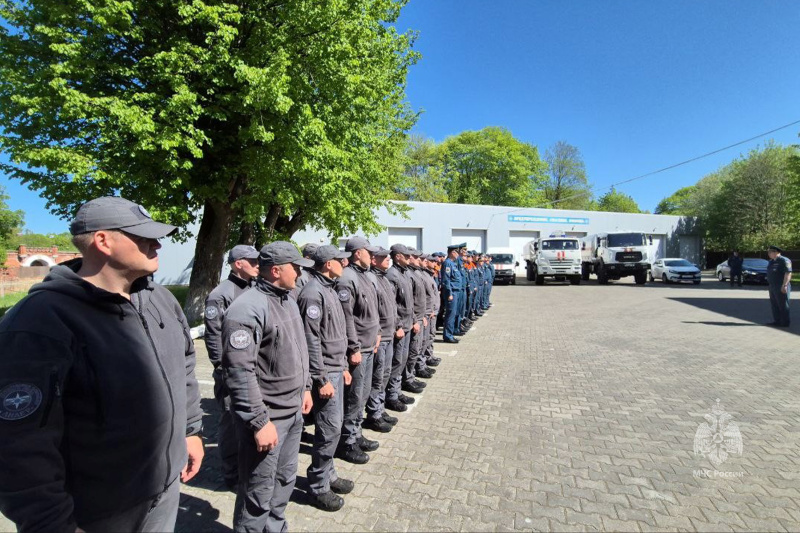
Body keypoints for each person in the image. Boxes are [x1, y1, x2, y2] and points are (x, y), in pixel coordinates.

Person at [0, 196, 203, 532]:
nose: (157, 244)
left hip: (163, 495)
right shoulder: (39, 321)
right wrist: (52, 523)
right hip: (97, 513)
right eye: (143, 237)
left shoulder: (162, 300)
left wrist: (191, 431)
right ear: (103, 241)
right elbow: (18, 444)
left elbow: (184, 365)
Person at [222, 241, 314, 533]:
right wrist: (259, 421)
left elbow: (300, 348)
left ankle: (275, 529)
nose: (299, 274)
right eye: (295, 268)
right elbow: (239, 370)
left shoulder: (287, 298)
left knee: (284, 479)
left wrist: (307, 387)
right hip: (268, 418)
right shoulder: (247, 309)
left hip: (293, 410)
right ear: (276, 270)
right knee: (258, 491)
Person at [296, 245, 354, 512]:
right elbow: (311, 340)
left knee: (334, 426)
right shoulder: (312, 294)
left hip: (334, 367)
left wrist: (342, 365)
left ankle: (328, 474)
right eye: (340, 260)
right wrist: (321, 378)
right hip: (324, 373)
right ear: (328, 264)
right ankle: (318, 485)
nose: (345, 263)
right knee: (328, 428)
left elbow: (336, 334)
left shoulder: (328, 288)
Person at [204, 244, 260, 491]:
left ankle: (247, 467)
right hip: (230, 370)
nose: (258, 265)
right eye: (253, 261)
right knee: (230, 423)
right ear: (239, 263)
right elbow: (214, 335)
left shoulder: (253, 288)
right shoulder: (221, 294)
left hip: (253, 368)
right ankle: (231, 474)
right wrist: (221, 366)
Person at [334, 236, 382, 464]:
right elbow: (347, 318)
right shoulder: (347, 279)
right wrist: (353, 347)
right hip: (358, 348)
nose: (372, 256)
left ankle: (356, 433)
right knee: (354, 397)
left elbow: (372, 311)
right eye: (367, 252)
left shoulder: (365, 275)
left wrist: (378, 333)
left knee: (362, 394)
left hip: (369, 344)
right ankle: (347, 442)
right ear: (356, 253)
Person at [364, 247, 400, 430]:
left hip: (389, 333)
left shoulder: (383, 277)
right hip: (381, 336)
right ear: (373, 260)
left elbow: (393, 306)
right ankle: (373, 412)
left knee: (384, 374)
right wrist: (378, 333)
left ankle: (379, 407)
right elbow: (373, 311)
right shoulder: (371, 279)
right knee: (377, 377)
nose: (387, 259)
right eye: (382, 257)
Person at [385, 244, 417, 412]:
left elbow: (408, 303)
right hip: (399, 327)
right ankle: (391, 395)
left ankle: (396, 391)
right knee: (396, 362)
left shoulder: (403, 273)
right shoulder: (392, 275)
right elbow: (392, 305)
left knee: (402, 360)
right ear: (398, 256)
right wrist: (398, 325)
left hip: (407, 325)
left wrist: (412, 321)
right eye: (406, 255)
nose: (409, 258)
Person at [441, 244, 464, 343]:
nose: (458, 255)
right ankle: (447, 335)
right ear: (452, 252)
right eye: (457, 252)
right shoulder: (447, 263)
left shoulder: (452, 263)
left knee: (454, 313)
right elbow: (446, 280)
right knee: (450, 314)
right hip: (452, 293)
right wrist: (449, 293)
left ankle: (450, 334)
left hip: (456, 292)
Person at [766, 245, 792, 327]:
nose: (769, 254)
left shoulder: (784, 260)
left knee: (783, 304)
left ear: (776, 252)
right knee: (774, 304)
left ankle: (785, 322)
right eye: (769, 252)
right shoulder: (771, 261)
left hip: (780, 285)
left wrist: (785, 285)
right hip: (772, 286)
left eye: (770, 252)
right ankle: (777, 321)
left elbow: (788, 273)